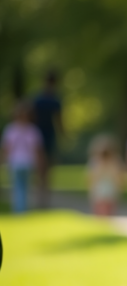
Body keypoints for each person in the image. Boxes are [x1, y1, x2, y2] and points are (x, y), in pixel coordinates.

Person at [1, 101, 43, 213]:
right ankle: (22, 209)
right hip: (26, 162)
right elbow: (36, 150)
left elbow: (7, 149)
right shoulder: (32, 130)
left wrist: (3, 161)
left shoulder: (11, 130)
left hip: (17, 162)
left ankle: (19, 210)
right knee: (23, 187)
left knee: (18, 187)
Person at [31, 70, 64, 208]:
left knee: (41, 169)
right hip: (46, 136)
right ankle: (43, 199)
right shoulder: (54, 100)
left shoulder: (38, 99)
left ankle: (41, 198)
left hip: (40, 135)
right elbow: (59, 121)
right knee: (46, 170)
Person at [87, 134, 121, 216]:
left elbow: (117, 178)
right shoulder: (95, 163)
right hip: (99, 192)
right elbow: (92, 178)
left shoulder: (114, 163)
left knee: (109, 212)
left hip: (110, 192)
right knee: (100, 212)